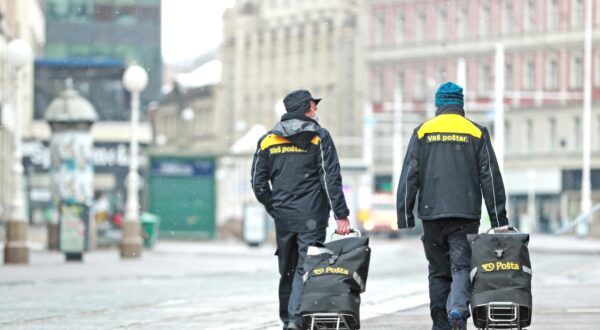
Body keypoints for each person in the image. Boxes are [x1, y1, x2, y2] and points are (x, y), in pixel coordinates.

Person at [396, 82, 508, 330]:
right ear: (461, 104)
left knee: (437, 272)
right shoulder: (476, 132)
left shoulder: (423, 131)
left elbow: (409, 175)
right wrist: (498, 220)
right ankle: (457, 309)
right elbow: (490, 177)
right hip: (465, 214)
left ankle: (440, 324)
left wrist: (405, 215)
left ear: (438, 104)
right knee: (461, 267)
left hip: (432, 214)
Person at [251, 89, 351, 329]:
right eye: (314, 107)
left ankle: (288, 318)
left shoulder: (268, 140)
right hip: (312, 216)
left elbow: (257, 182)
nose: (316, 111)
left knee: (287, 269)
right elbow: (330, 178)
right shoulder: (319, 137)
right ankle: (296, 320)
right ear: (306, 109)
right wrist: (341, 215)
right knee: (306, 268)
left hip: (283, 217)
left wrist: (274, 205)